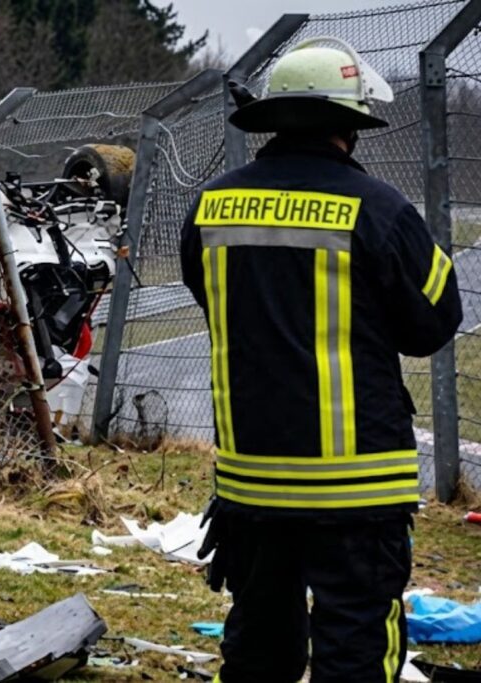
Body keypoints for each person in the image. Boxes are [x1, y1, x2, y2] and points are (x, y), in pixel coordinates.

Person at [180, 37, 463, 682]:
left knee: (258, 640)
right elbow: (433, 324)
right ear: (351, 123)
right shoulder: (381, 210)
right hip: (358, 485)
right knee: (356, 641)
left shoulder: (212, 207)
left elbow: (213, 300)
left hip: (248, 480)